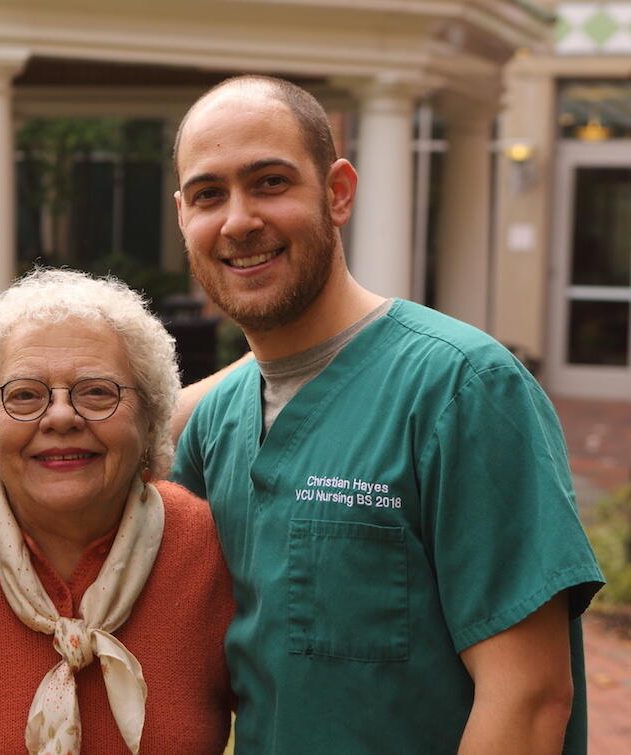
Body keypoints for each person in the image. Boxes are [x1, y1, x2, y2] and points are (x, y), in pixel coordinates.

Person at [170, 75, 605, 753]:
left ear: (338, 193)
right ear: (182, 218)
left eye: (270, 182)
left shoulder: (463, 390)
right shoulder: (216, 423)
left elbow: (528, 699)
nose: (238, 220)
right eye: (208, 194)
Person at [0, 268, 235, 754]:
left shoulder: (215, 551)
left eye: (98, 391)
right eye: (25, 395)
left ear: (150, 418)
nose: (60, 416)